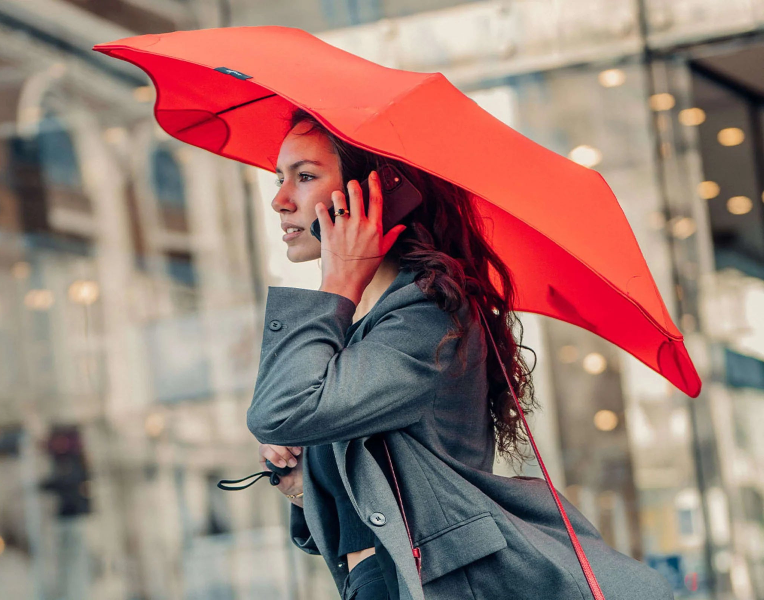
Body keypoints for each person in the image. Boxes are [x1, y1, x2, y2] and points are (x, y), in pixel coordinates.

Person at [247, 108, 674, 600]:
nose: (279, 200)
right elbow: (354, 490)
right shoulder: (358, 330)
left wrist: (338, 283)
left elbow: (278, 412)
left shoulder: (427, 316)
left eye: (304, 177)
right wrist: (302, 484)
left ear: (375, 192)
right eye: (280, 178)